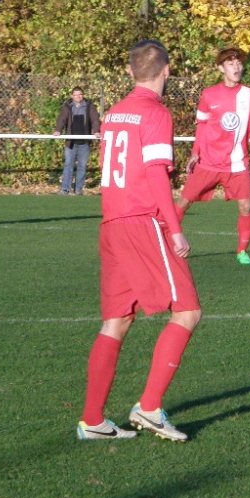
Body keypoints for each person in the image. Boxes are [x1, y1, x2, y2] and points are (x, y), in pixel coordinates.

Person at [77, 40, 200, 442]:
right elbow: (154, 175)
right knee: (187, 312)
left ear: (130, 72)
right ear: (167, 70)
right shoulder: (156, 113)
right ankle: (149, 408)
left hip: (111, 222)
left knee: (117, 320)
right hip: (141, 221)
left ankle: (93, 421)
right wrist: (174, 225)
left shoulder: (114, 113)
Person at [176, 47, 250, 265]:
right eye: (231, 64)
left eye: (239, 63)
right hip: (208, 163)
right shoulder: (208, 95)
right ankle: (166, 242)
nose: (236, 67)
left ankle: (241, 251)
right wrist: (195, 153)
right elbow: (201, 126)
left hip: (237, 165)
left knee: (246, 207)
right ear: (221, 68)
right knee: (182, 202)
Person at [53, 87, 100, 195]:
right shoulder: (68, 106)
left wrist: (96, 131)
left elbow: (95, 119)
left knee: (82, 166)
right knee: (68, 164)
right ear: (72, 96)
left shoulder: (89, 105)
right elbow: (62, 119)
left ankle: (78, 189)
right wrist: (58, 130)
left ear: (82, 95)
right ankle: (65, 189)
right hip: (71, 142)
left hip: (84, 142)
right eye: (75, 95)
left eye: (80, 94)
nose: (78, 97)